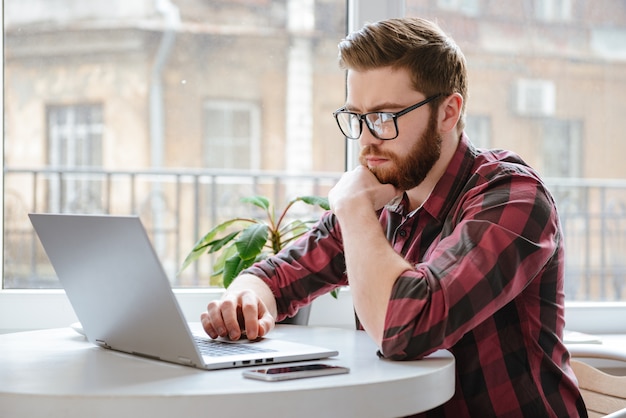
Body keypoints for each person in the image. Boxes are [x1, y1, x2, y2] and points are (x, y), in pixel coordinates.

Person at [200, 17, 587, 417]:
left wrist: (351, 207)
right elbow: (275, 276)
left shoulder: (513, 198)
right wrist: (241, 303)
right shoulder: (386, 192)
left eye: (386, 117)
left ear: (448, 112)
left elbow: (405, 328)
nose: (367, 138)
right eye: (358, 117)